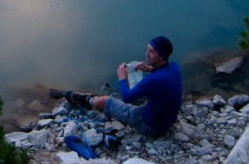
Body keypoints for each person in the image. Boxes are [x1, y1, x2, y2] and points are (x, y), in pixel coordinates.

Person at [50, 35, 182, 138]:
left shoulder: (153, 80)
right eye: (147, 49)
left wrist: (121, 76)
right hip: (167, 121)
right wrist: (149, 68)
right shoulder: (174, 67)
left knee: (106, 100)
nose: (147, 53)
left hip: (150, 125)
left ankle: (83, 99)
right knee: (145, 99)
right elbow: (161, 79)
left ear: (161, 56)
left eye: (152, 52)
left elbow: (127, 98)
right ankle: (85, 98)